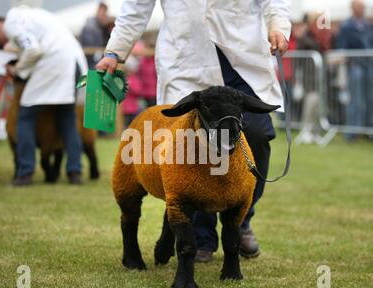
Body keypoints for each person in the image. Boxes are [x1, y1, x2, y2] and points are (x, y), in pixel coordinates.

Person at [97, 0, 291, 262]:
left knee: (255, 133)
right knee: (190, 151)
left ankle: (241, 217)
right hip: (186, 59)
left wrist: (277, 25)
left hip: (241, 57)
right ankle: (202, 237)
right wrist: (114, 52)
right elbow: (136, 7)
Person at [0, 7, 87, 186]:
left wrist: (17, 69)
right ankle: (75, 172)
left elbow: (33, 50)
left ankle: (25, 173)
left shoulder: (12, 22)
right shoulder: (35, 16)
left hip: (53, 64)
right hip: (73, 65)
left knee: (25, 116)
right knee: (67, 119)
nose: (2, 42)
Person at [336, 0, 373, 141]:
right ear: (353, 8)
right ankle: (352, 131)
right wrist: (351, 61)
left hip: (369, 66)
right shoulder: (346, 26)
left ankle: (368, 130)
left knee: (370, 99)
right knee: (356, 100)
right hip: (355, 66)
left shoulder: (367, 25)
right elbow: (342, 47)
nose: (363, 10)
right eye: (360, 7)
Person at [80, 2, 114, 69]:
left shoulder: (103, 26)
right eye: (102, 13)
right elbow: (90, 46)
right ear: (98, 11)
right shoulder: (90, 26)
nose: (103, 16)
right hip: (90, 61)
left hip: (97, 59)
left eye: (104, 13)